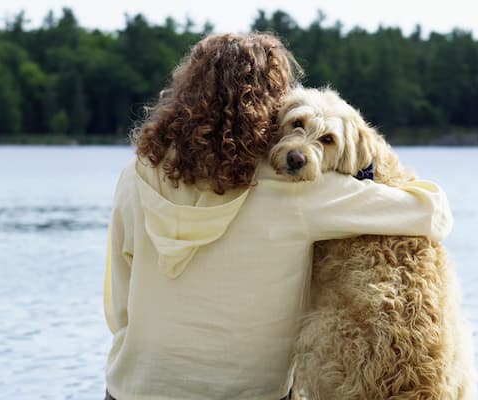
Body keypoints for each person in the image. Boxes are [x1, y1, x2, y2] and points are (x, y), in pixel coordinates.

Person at [103, 32, 453, 400]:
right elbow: (433, 214)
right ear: (270, 108)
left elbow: (119, 303)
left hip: (137, 386)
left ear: (184, 93)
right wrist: (368, 156)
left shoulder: (137, 174)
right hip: (252, 392)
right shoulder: (299, 191)